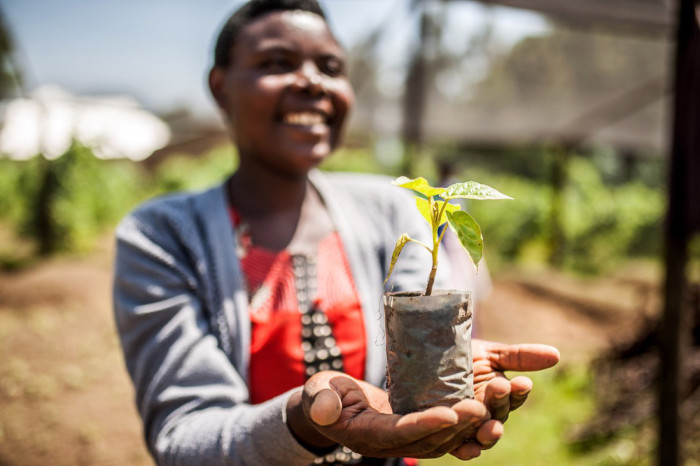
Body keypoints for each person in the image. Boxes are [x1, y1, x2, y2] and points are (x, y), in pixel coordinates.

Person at [112, 1, 560, 465]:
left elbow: (420, 336)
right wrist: (305, 420)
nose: (312, 81)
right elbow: (184, 436)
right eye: (276, 63)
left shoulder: (390, 208)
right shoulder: (163, 236)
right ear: (220, 87)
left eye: (331, 67)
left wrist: (449, 375)